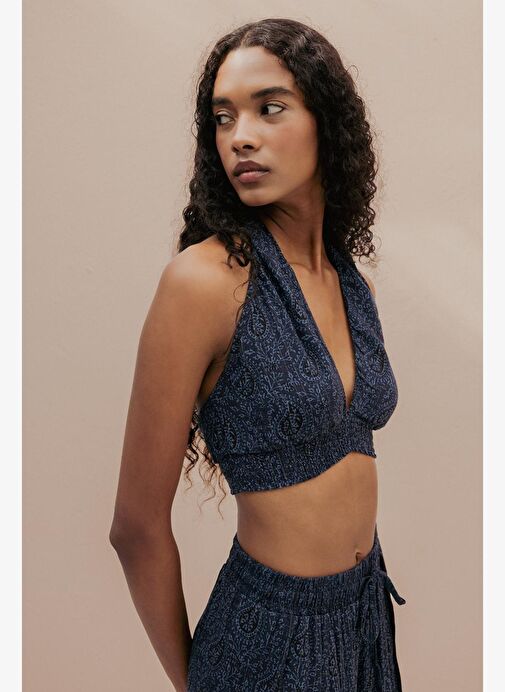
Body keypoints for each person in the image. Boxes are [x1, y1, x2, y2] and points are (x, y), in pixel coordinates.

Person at [109, 17, 407, 692]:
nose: (239, 136)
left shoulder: (348, 280)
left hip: (365, 616)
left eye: (269, 108)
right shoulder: (205, 282)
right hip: (266, 640)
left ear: (325, 121)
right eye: (223, 118)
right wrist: (200, 683)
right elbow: (135, 527)